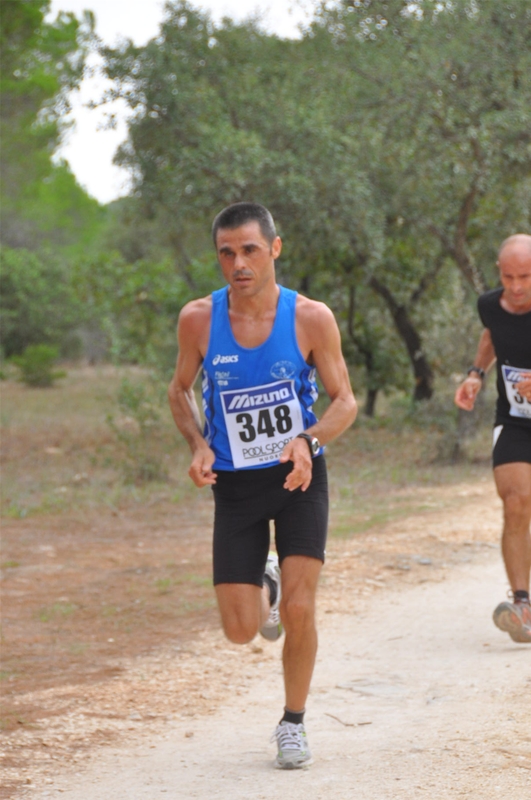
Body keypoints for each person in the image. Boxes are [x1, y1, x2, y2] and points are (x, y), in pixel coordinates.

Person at [168, 202, 357, 768]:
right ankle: (263, 586)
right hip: (236, 487)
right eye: (227, 252)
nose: (238, 263)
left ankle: (293, 723)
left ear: (274, 248)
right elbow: (178, 390)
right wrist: (199, 445)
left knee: (302, 609)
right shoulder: (199, 319)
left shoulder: (311, 318)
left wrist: (310, 441)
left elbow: (344, 401)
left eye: (250, 249)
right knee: (238, 629)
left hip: (299, 477)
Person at [454, 233, 531, 644]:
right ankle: (523, 605)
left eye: (526, 277)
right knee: (516, 502)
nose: (516, 287)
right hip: (517, 420)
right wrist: (476, 374)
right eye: (508, 276)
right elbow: (493, 337)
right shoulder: (489, 304)